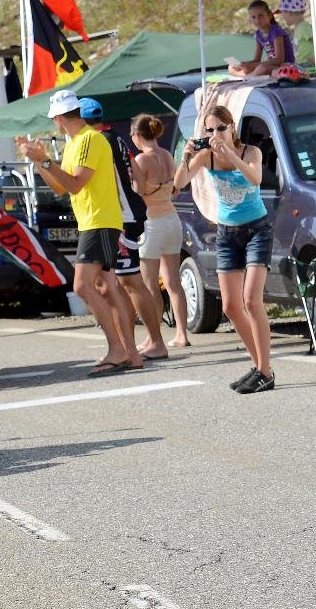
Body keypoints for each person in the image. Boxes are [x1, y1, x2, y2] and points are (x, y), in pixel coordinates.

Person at [17, 90, 142, 375]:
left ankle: (118, 349)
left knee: (82, 286)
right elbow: (61, 187)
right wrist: (40, 161)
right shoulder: (75, 143)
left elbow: (75, 184)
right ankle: (130, 353)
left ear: (59, 118)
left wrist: (45, 161)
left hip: (99, 220)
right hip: (95, 220)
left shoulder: (89, 139)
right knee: (107, 287)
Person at [174, 105, 274, 393]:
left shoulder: (250, 152)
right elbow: (178, 183)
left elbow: (255, 179)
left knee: (252, 300)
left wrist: (229, 153)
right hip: (227, 233)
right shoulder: (207, 156)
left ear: (232, 127)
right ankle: (259, 367)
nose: (215, 134)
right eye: (210, 129)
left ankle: (264, 371)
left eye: (221, 128)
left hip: (257, 229)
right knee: (231, 306)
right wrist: (186, 157)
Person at [79, 99, 167, 361]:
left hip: (120, 218)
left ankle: (156, 342)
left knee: (130, 281)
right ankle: (131, 344)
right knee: (120, 282)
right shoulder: (116, 137)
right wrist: (135, 199)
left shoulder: (96, 141)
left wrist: (127, 208)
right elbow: (138, 177)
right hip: (127, 213)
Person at [130, 114, 190, 349]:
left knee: (148, 285)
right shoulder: (166, 155)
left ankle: (152, 337)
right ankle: (182, 334)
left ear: (137, 135)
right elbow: (175, 189)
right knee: (173, 282)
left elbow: (137, 192)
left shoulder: (141, 160)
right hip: (172, 221)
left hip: (152, 223)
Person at [231, 0, 294, 78]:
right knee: (232, 67)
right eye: (253, 17)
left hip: (285, 66)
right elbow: (257, 60)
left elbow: (279, 60)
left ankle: (246, 77)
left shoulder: (276, 32)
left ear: (269, 15)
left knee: (263, 69)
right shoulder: (258, 34)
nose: (257, 20)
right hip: (270, 65)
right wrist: (245, 64)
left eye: (260, 16)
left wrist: (254, 65)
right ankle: (246, 76)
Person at [276, 0, 313, 72]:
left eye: (283, 14)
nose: (283, 17)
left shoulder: (304, 27)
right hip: (301, 63)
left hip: (307, 64)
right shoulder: (298, 28)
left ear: (289, 12)